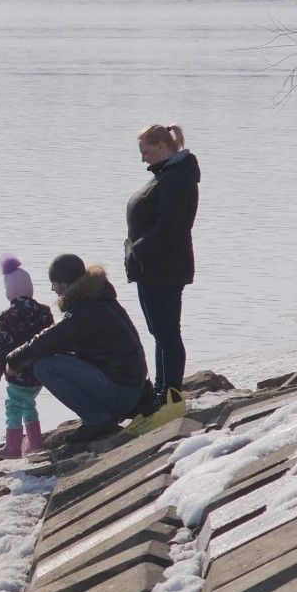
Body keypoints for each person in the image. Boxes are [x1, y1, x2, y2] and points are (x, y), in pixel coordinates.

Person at [5, 254, 149, 443]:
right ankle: (101, 416)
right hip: (130, 389)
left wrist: (13, 361)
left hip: (122, 394)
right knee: (52, 356)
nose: (52, 289)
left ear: (64, 284)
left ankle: (97, 419)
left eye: (53, 283)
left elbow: (47, 339)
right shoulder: (97, 298)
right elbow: (56, 339)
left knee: (44, 365)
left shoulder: (86, 310)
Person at [125, 123, 201, 402]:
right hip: (152, 270)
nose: (142, 157)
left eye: (145, 151)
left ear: (160, 146)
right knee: (160, 334)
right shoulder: (166, 175)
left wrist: (138, 252)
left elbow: (172, 227)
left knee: (168, 334)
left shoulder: (178, 178)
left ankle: (171, 396)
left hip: (164, 270)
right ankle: (161, 392)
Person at [0, 256, 54, 459]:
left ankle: (12, 446)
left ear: (10, 291)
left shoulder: (7, 317)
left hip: (17, 374)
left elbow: (2, 352)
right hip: (39, 374)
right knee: (29, 404)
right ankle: (35, 443)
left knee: (14, 406)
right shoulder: (44, 312)